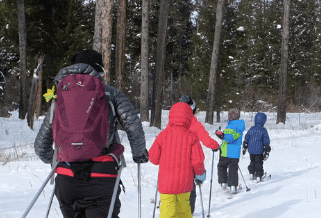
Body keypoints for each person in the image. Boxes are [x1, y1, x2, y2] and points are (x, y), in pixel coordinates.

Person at [34, 49, 148, 218]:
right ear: (99, 70)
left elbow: (41, 147)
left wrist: (62, 159)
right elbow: (133, 126)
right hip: (102, 175)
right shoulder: (112, 94)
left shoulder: (61, 96)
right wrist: (139, 154)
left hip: (67, 179)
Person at [149, 102, 206, 218]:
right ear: (189, 117)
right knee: (184, 212)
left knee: (167, 212)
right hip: (185, 184)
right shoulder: (192, 136)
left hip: (166, 184)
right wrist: (200, 174)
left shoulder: (163, 135)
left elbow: (153, 159)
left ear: (171, 116)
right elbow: (197, 160)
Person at [179, 95, 220, 213]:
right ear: (193, 109)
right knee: (190, 188)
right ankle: (188, 212)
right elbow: (206, 140)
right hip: (190, 163)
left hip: (173, 162)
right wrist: (215, 146)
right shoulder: (195, 124)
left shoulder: (172, 123)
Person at [215, 108, 245, 193]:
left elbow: (230, 137)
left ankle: (225, 183)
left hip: (227, 153)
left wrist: (222, 136)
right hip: (232, 153)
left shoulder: (236, 126)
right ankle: (231, 185)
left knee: (223, 166)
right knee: (232, 168)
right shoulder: (234, 125)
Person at [243, 112, 271, 182]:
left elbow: (247, 137)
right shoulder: (263, 130)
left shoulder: (252, 129)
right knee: (258, 162)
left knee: (252, 161)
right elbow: (266, 140)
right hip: (259, 150)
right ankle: (259, 175)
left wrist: (245, 145)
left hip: (251, 149)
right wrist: (266, 148)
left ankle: (251, 173)